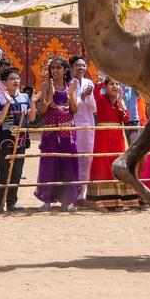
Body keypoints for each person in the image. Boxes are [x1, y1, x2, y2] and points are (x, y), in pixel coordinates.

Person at [35, 56, 81, 211]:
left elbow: (74, 110)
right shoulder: (46, 85)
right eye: (53, 68)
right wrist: (49, 96)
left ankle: (67, 201)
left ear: (65, 70)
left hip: (68, 132)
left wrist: (70, 95)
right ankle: (47, 200)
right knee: (49, 163)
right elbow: (42, 110)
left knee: (68, 163)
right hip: (51, 131)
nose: (55, 71)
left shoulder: (71, 85)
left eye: (58, 68)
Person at [0, 67, 35, 213]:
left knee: (17, 171)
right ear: (5, 83)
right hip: (6, 139)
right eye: (12, 79)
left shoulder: (25, 97)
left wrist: (34, 102)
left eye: (17, 78)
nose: (16, 81)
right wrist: (8, 103)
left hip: (21, 140)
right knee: (3, 171)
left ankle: (12, 203)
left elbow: (32, 118)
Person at [87, 74, 131, 206]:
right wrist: (100, 82)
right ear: (105, 87)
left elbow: (126, 119)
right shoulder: (100, 99)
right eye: (112, 84)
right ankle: (101, 201)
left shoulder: (119, 102)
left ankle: (118, 201)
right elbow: (95, 91)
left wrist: (120, 102)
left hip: (117, 137)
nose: (115, 86)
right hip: (103, 138)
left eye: (117, 84)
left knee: (117, 163)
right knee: (102, 164)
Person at [68, 55, 98, 202]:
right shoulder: (68, 83)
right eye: (78, 65)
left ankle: (82, 193)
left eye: (83, 65)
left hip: (88, 124)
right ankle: (72, 192)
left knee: (87, 159)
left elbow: (93, 108)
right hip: (73, 124)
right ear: (72, 67)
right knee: (74, 158)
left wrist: (89, 95)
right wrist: (83, 95)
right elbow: (71, 107)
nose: (81, 68)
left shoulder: (88, 82)